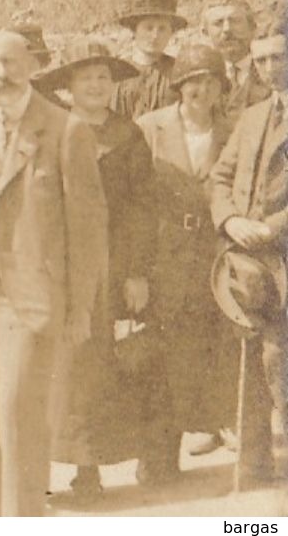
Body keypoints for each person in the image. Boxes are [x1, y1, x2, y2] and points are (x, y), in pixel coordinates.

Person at [0, 30, 107, 516]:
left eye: (9, 62)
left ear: (30, 65)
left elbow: (89, 231)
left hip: (29, 294)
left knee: (19, 411)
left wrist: (81, 307)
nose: (0, 74)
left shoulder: (66, 130)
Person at [34, 43, 158, 496]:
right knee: (54, 368)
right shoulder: (52, 133)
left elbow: (143, 209)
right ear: (67, 87)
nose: (96, 85)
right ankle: (41, 466)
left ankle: (89, 470)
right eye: (86, 77)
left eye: (104, 77)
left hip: (109, 264)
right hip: (57, 264)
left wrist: (137, 271)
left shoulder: (129, 136)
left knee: (95, 367)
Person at [135, 45, 236, 475]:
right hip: (163, 252)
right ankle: (157, 458)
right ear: (179, 86)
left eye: (211, 81)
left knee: (214, 346)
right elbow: (133, 200)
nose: (201, 90)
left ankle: (221, 434)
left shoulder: (235, 130)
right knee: (162, 351)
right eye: (193, 81)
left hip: (213, 252)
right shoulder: (149, 128)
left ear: (221, 88)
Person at [206, 31, 287, 488]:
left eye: (279, 56)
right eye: (261, 60)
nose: (270, 67)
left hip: (282, 252)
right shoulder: (254, 115)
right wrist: (230, 219)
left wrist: (270, 230)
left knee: (281, 360)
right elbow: (220, 175)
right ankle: (256, 469)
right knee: (253, 357)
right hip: (247, 260)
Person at [112, 0, 184, 120]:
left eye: (162, 29)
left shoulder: (179, 71)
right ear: (135, 31)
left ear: (171, 33)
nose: (155, 36)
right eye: (148, 28)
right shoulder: (119, 73)